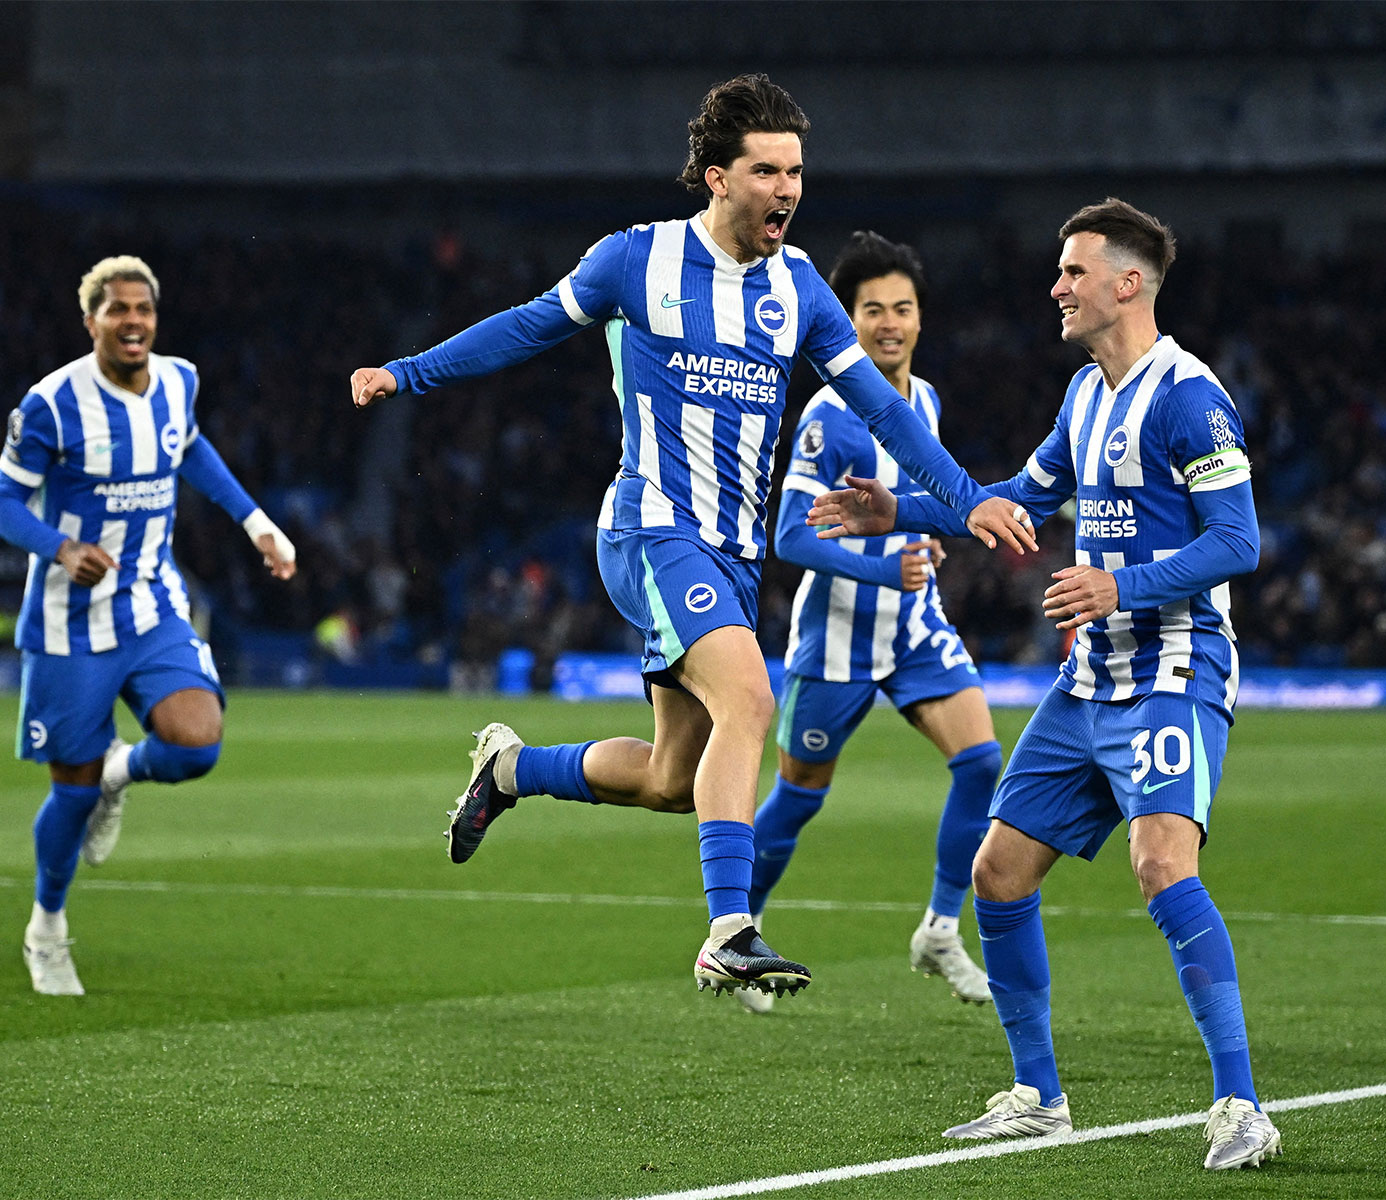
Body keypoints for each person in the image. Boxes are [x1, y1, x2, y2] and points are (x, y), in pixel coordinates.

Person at [349, 74, 1035, 1001]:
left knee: (675, 780)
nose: (788, 189)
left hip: (732, 555)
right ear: (716, 177)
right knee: (752, 701)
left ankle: (510, 769)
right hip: (651, 530)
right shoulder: (635, 261)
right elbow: (526, 327)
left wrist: (968, 496)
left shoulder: (797, 288)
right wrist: (407, 373)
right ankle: (730, 931)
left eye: (796, 171)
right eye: (766, 170)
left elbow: (888, 411)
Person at [807, 199, 1279, 1170]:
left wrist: (1119, 583)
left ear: (1126, 282)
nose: (1054, 287)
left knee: (1160, 865)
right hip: (1090, 672)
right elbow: (1019, 499)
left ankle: (1241, 1107)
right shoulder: (1083, 395)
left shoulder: (1188, 397)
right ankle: (1037, 1096)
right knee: (996, 873)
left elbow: (1239, 541)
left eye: (1072, 271)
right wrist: (898, 506)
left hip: (1173, 666)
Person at [0, 256, 298, 995]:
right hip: (69, 623)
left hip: (154, 604)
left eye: (144, 310)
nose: (133, 322)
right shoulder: (50, 406)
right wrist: (60, 547)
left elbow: (189, 449)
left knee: (197, 741)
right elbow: (2, 503)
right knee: (70, 790)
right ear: (89, 319)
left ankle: (120, 773)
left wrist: (256, 523)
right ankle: (47, 926)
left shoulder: (180, 380)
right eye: (117, 310)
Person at [739, 232, 1002, 1015]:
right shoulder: (828, 414)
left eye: (904, 308)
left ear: (921, 318)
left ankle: (939, 929)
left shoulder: (924, 401)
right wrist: (886, 565)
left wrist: (936, 541)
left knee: (983, 763)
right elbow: (789, 536)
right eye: (873, 310)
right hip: (838, 642)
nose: (890, 323)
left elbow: (913, 508)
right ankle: (738, 928)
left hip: (915, 632)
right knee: (798, 798)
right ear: (847, 320)